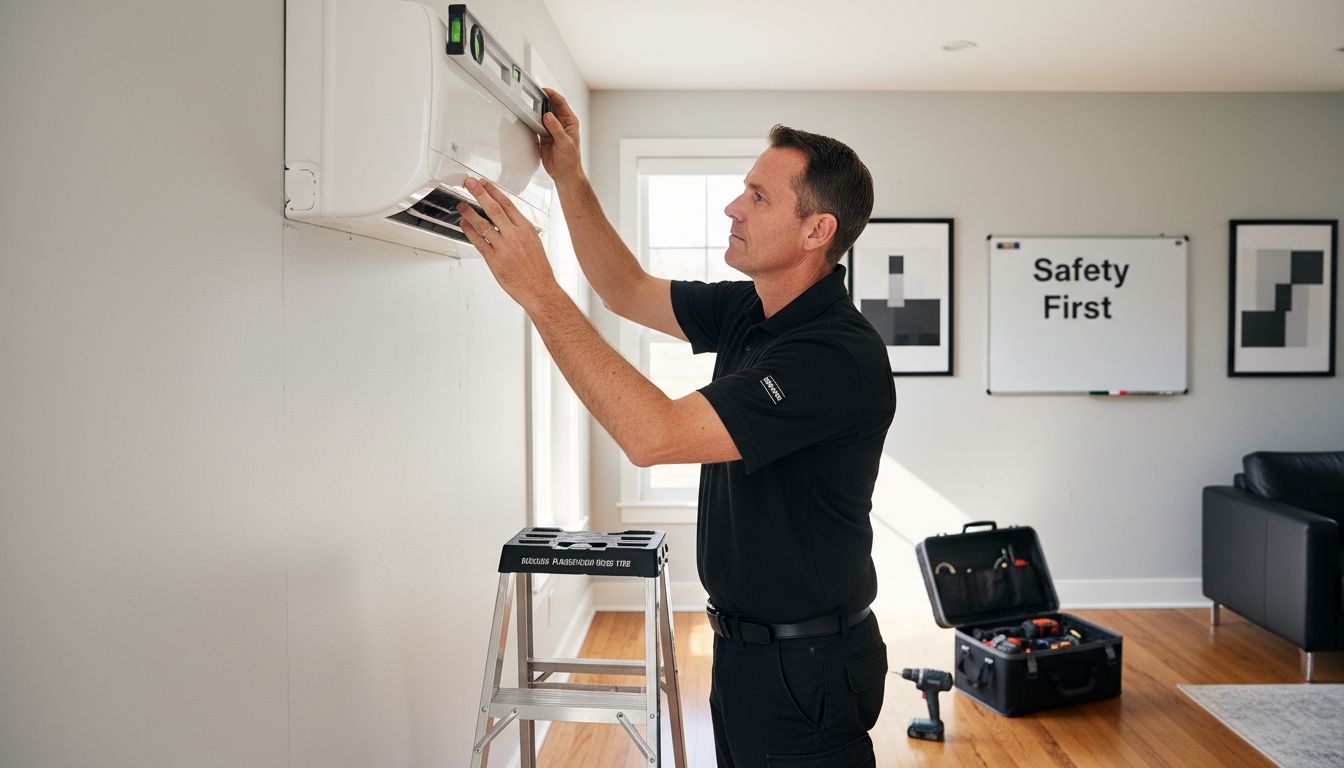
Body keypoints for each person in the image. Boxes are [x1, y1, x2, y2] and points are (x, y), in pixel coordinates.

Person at [455, 89, 896, 768]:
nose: (732, 207)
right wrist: (568, 176)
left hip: (807, 664)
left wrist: (538, 291)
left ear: (817, 231)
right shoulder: (754, 309)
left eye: (758, 196)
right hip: (748, 650)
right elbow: (625, 288)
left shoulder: (834, 356)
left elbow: (654, 435)